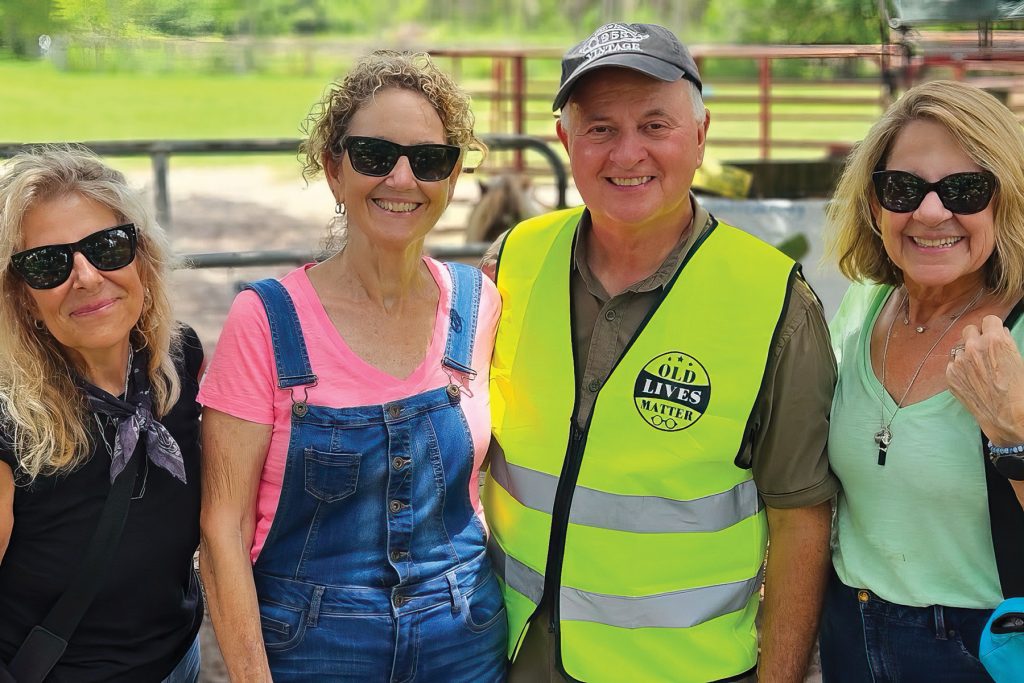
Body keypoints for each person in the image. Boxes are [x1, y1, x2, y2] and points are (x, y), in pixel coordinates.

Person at [481, 22, 837, 683]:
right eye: (600, 129)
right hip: (509, 657)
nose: (626, 153)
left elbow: (801, 518)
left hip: (684, 670)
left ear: (700, 138)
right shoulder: (512, 263)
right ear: (565, 140)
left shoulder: (775, 302)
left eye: (654, 125)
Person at [198, 50, 506, 682]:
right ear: (334, 169)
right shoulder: (266, 320)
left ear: (451, 177)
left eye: (428, 160)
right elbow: (221, 529)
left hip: (463, 638)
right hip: (310, 650)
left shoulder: (479, 306)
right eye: (373, 155)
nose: (401, 179)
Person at [821, 80, 1024, 682]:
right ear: (874, 203)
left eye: (964, 189)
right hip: (849, 628)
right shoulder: (863, 306)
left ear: (1006, 199)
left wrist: (1013, 433)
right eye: (903, 188)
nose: (931, 212)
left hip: (981, 645)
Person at [0, 145, 204, 681]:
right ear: (23, 298)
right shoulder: (9, 417)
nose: (87, 277)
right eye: (48, 264)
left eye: (108, 247)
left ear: (143, 257)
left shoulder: (178, 360)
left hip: (181, 659)